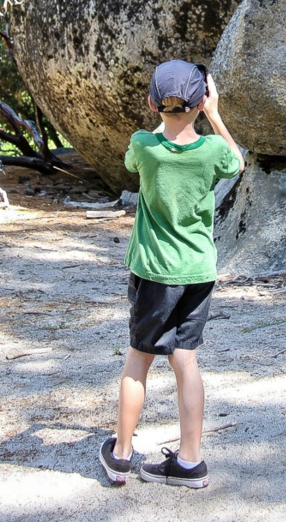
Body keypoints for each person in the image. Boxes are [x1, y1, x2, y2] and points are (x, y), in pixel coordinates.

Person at [99, 59, 244, 488]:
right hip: (198, 270)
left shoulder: (144, 146)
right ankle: (189, 462)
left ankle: (122, 455)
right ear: (202, 101)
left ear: (151, 102)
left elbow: (130, 164)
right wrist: (215, 116)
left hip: (155, 271)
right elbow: (236, 163)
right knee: (186, 360)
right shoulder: (213, 152)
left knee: (139, 358)